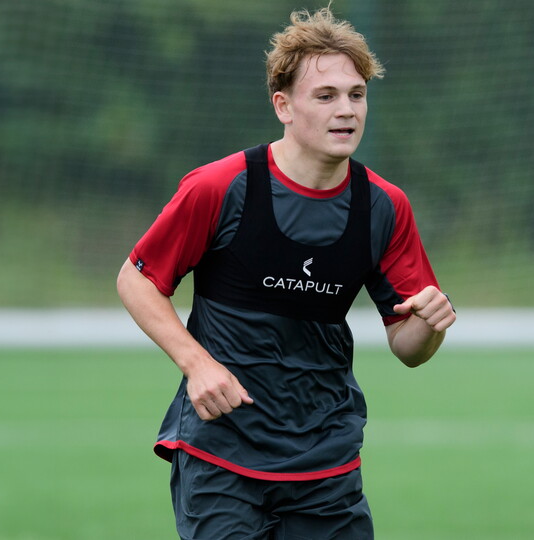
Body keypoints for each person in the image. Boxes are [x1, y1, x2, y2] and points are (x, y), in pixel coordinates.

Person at [116, 6, 456, 539]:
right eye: (326, 96)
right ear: (284, 106)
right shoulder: (222, 186)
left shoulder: (384, 205)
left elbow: (408, 348)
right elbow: (137, 279)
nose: (346, 110)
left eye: (356, 95)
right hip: (221, 454)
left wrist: (430, 324)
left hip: (327, 460)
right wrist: (197, 364)